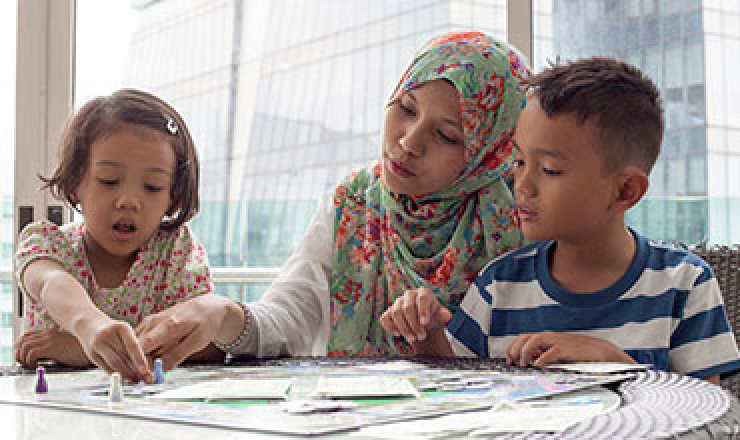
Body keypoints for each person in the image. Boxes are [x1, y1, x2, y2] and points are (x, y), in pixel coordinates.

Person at [136, 31, 530, 360]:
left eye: (447, 135)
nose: (409, 142)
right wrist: (220, 312)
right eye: (406, 108)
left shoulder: (519, 217)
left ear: (489, 153)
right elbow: (290, 314)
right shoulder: (354, 203)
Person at [380, 57, 740, 384]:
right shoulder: (499, 286)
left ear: (624, 192)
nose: (522, 185)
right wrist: (427, 337)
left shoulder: (684, 285)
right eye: (519, 162)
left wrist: (613, 362)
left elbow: (709, 419)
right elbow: (460, 393)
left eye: (550, 170)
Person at [13, 89, 244, 381]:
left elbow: (207, 345)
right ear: (75, 184)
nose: (129, 201)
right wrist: (89, 327)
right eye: (109, 181)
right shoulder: (47, 244)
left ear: (173, 198)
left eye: (152, 186)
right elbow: (51, 283)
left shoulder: (176, 252)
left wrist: (84, 351)